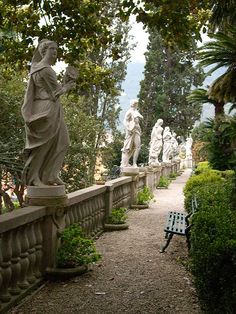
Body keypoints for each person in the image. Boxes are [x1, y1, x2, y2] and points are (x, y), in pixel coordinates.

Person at [21, 39, 76, 186]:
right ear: (45, 51)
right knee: (44, 145)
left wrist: (63, 83)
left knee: (62, 142)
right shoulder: (46, 70)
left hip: (45, 106)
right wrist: (68, 86)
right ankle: (34, 178)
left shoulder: (36, 67)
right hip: (47, 108)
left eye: (56, 50)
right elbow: (56, 92)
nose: (55, 53)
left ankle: (50, 175)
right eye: (53, 49)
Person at [120, 99, 143, 168]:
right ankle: (125, 163)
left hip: (137, 130)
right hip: (131, 131)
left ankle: (134, 163)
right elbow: (125, 121)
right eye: (135, 104)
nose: (136, 105)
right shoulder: (129, 112)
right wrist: (128, 128)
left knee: (137, 147)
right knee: (128, 147)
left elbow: (140, 118)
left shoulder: (136, 111)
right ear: (133, 104)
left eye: (137, 104)